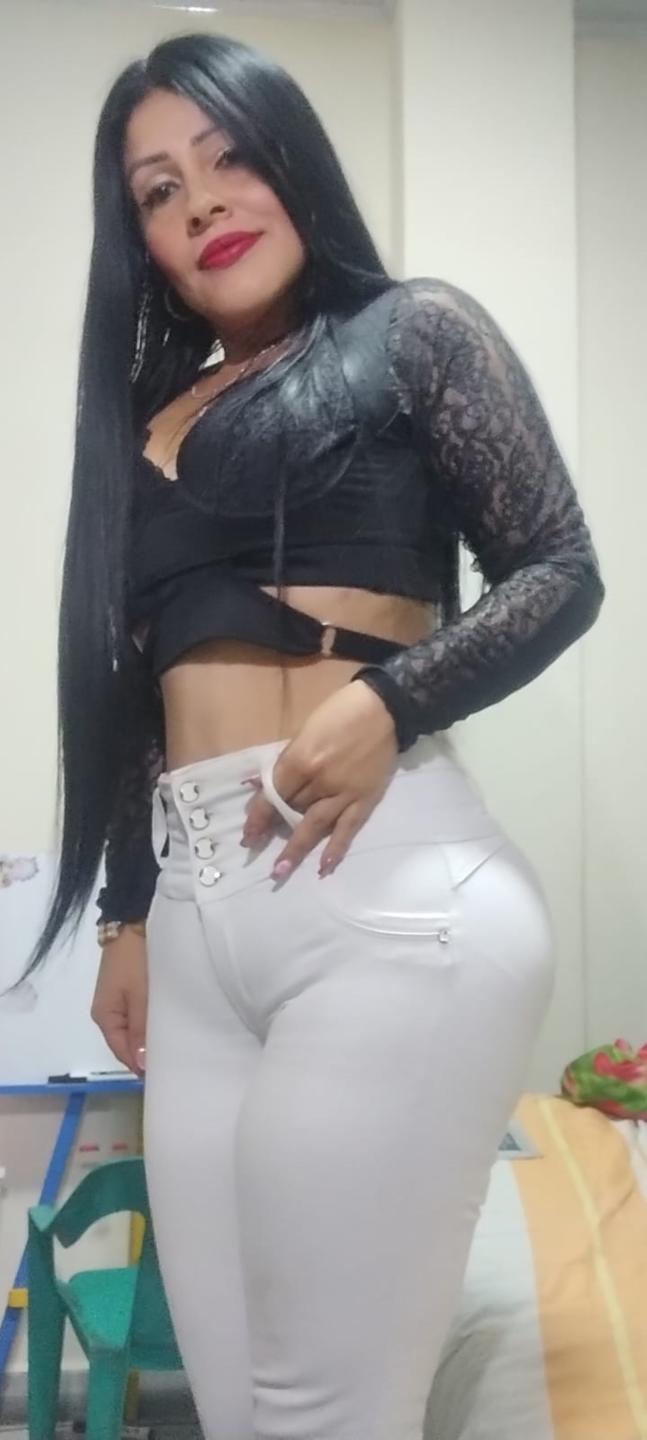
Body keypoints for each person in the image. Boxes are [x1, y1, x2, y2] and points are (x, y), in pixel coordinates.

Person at [28, 30, 604, 1440]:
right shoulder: (144, 422)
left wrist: (393, 700)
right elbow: (133, 699)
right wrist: (126, 913)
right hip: (199, 926)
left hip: (382, 889)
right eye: (159, 191)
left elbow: (559, 568)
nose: (203, 204)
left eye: (229, 157)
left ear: (292, 159)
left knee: (320, 1413)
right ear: (141, 243)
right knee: (236, 1410)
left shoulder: (413, 332)